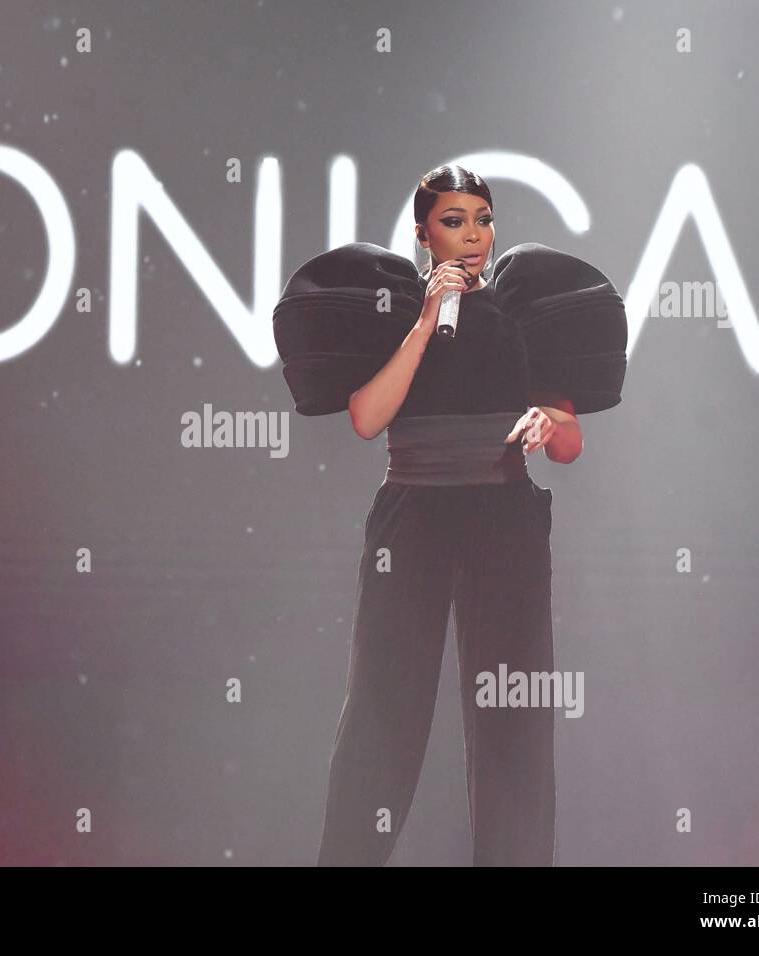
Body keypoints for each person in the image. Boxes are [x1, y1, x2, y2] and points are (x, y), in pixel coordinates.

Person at [272, 164, 629, 866]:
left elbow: (570, 444)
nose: (473, 236)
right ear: (423, 232)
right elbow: (366, 419)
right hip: (413, 515)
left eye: (483, 220)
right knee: (383, 705)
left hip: (504, 514)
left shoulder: (524, 309)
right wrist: (427, 319)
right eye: (454, 221)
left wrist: (548, 421)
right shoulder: (395, 311)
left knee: (513, 714)